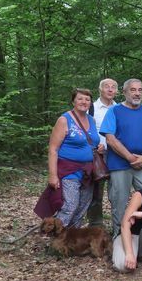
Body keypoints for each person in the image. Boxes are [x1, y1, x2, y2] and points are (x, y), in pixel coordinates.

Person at [99, 78, 142, 236]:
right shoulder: (114, 111)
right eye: (133, 90)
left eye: (140, 90)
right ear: (125, 92)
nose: (137, 93)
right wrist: (131, 158)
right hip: (120, 165)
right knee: (119, 203)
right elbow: (110, 138)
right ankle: (119, 236)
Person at [47, 88, 103, 227]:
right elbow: (53, 149)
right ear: (73, 101)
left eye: (87, 99)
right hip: (69, 171)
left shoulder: (91, 120)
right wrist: (53, 175)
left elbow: (91, 142)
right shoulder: (64, 120)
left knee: (82, 207)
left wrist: (98, 148)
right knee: (70, 206)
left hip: (88, 172)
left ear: (91, 103)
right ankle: (56, 243)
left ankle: (71, 241)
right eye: (80, 99)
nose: (84, 102)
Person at [87, 78, 118, 226]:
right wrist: (95, 145)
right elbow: (83, 131)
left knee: (117, 193)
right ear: (100, 89)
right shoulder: (90, 108)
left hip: (118, 156)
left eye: (113, 87)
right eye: (107, 87)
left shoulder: (120, 109)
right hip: (97, 157)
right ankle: (96, 226)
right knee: (96, 194)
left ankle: (118, 226)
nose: (110, 89)